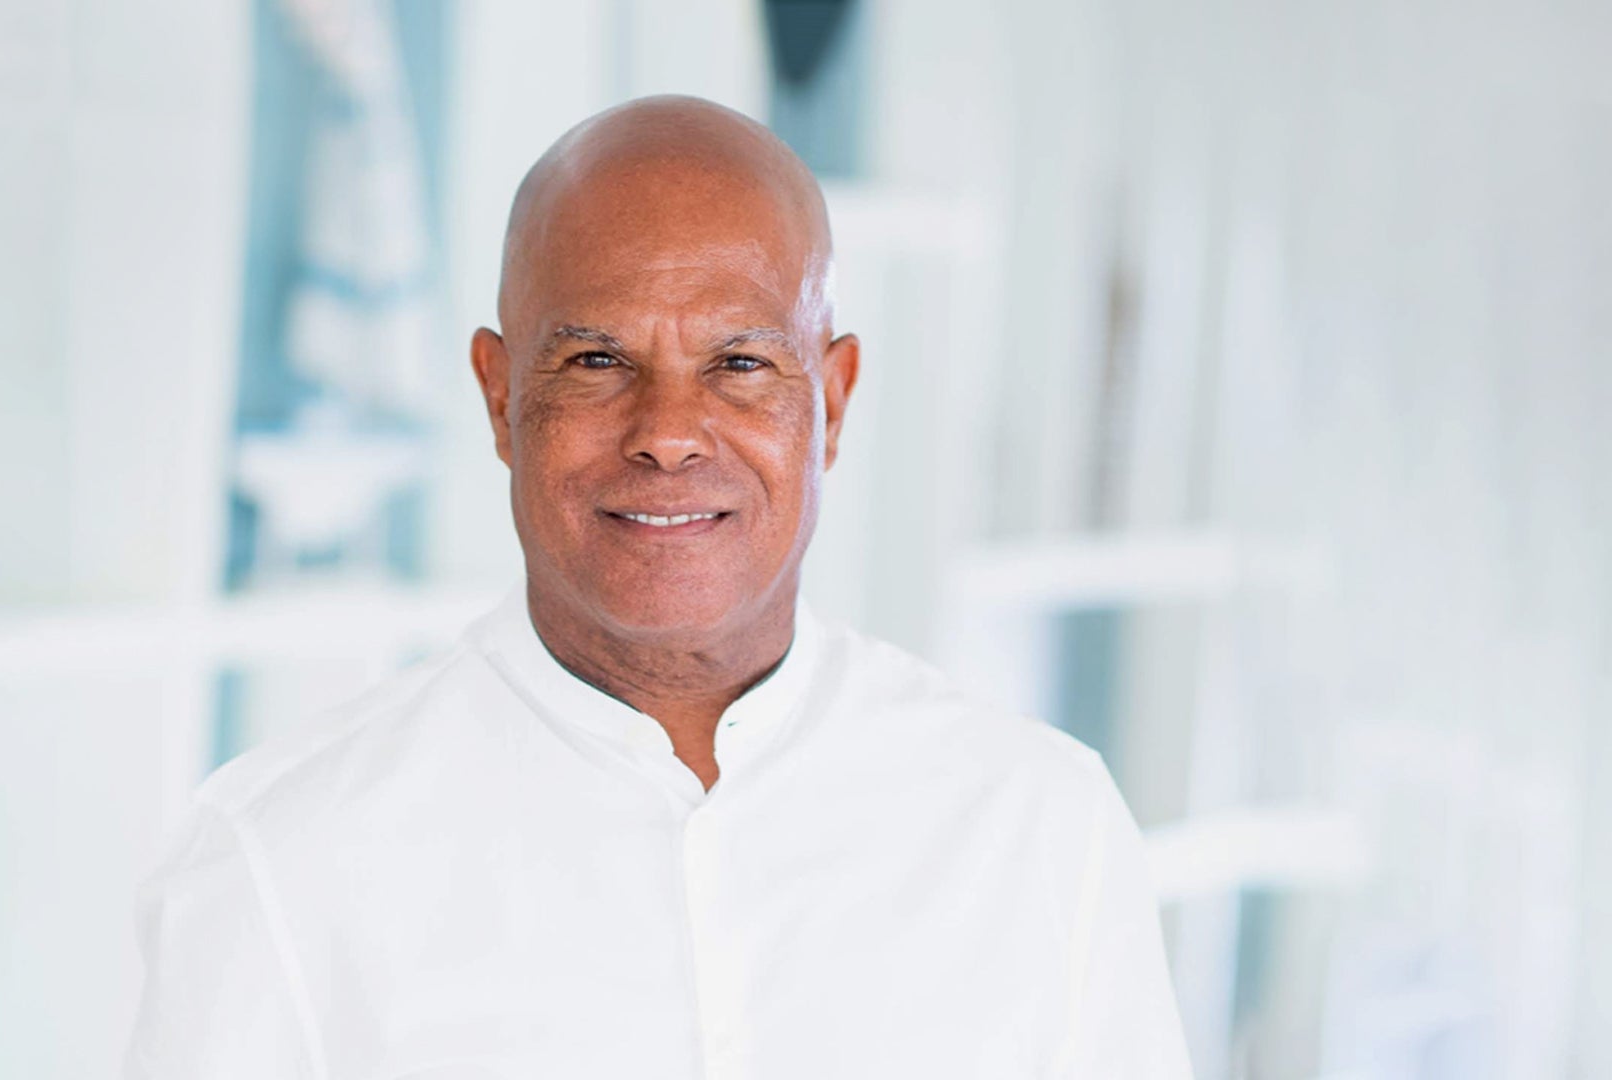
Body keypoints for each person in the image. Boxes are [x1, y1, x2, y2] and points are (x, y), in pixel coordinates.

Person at [125, 95, 1192, 1079]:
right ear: (500, 398)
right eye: (597, 362)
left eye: (739, 364)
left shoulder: (1040, 825)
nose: (669, 433)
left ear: (833, 401)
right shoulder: (279, 860)